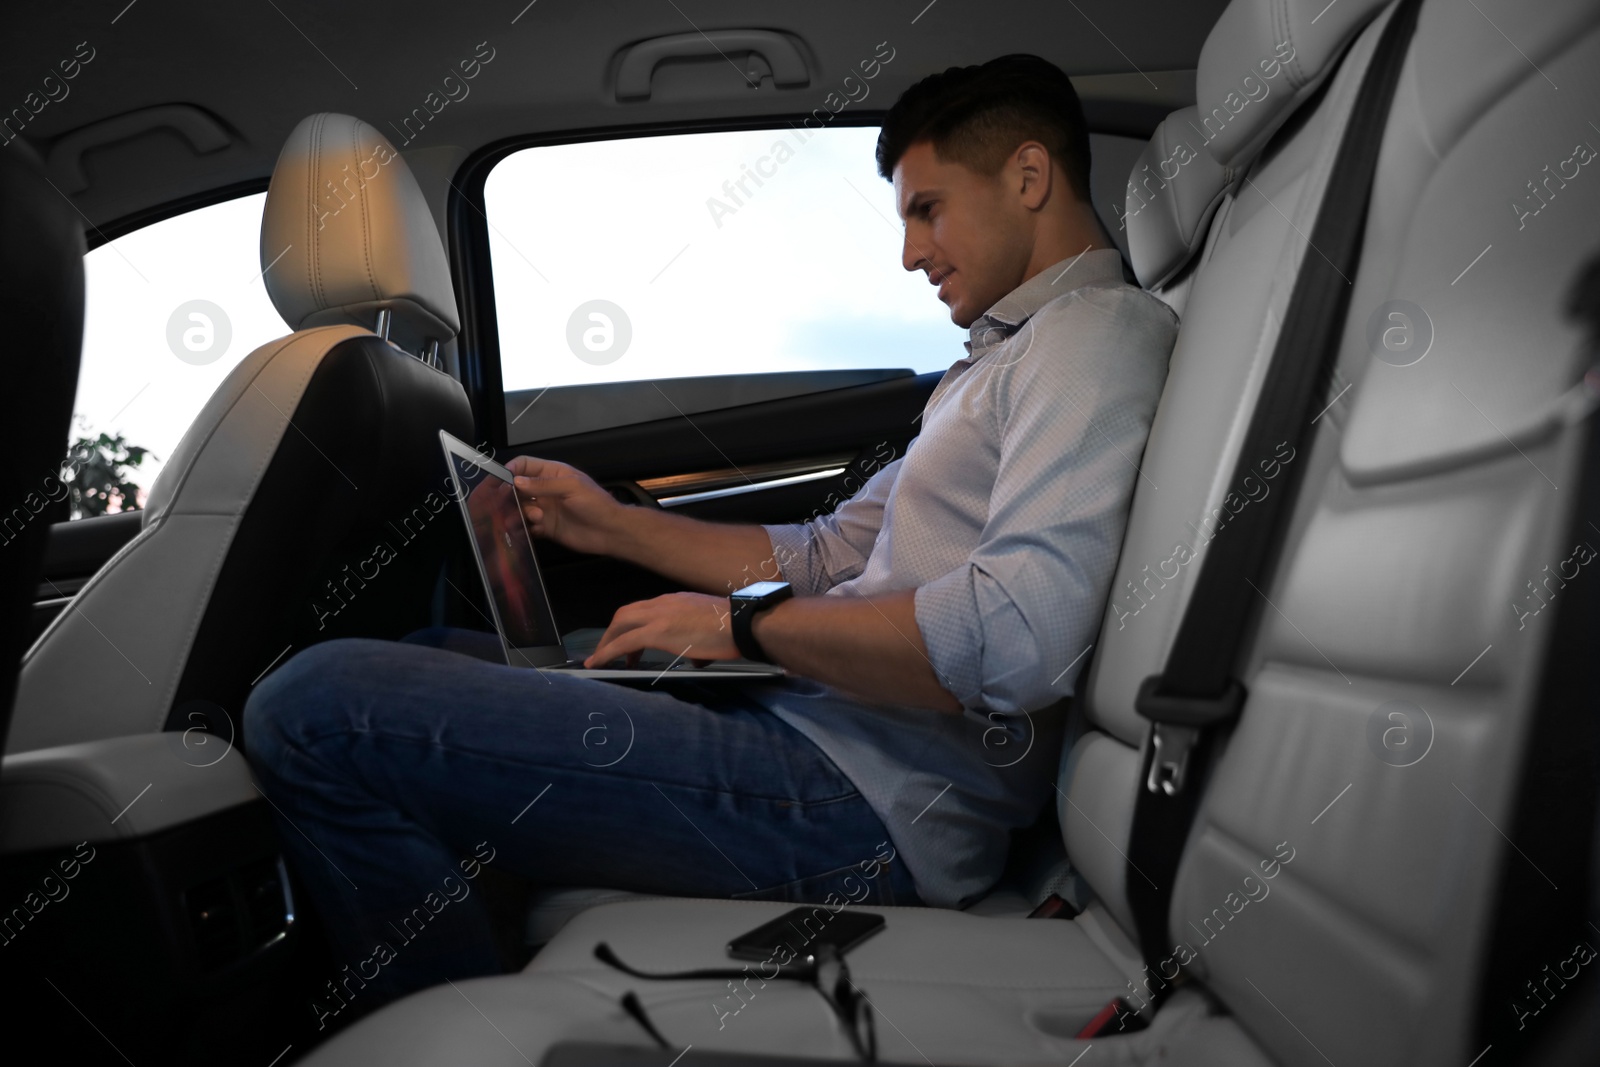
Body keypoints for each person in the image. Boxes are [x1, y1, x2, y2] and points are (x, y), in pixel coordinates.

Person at [244, 52, 1179, 1024]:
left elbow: (1019, 638)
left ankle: (448, 1032)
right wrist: (607, 524)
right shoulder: (996, 364)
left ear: (1027, 178)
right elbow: (820, 554)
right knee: (433, 654)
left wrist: (744, 632)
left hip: (860, 806)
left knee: (313, 709)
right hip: (816, 736)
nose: (909, 252)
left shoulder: (1091, 339)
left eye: (927, 208)